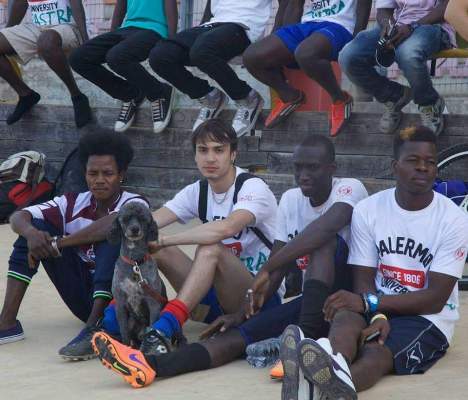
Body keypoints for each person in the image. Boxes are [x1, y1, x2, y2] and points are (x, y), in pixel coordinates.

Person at [90, 134, 368, 391]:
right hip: (310, 304)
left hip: (349, 302)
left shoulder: (349, 188)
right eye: (298, 167)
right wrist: (242, 313)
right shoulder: (291, 199)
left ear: (331, 168)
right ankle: (149, 364)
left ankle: (302, 345)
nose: (303, 175)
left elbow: (324, 229)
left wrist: (268, 267)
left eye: (313, 168)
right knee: (233, 336)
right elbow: (278, 268)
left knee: (322, 243)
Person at [280, 126, 468, 399]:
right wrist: (377, 314)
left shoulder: (454, 219)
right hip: (378, 303)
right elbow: (364, 279)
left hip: (426, 318)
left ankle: (318, 390)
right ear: (395, 166)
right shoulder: (369, 210)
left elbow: (435, 299)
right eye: (413, 161)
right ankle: (327, 366)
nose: (423, 168)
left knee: (375, 351)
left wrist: (371, 304)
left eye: (430, 162)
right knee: (345, 320)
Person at [0, 130, 149, 361]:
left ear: (121, 174)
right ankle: (7, 323)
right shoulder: (71, 203)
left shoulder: (135, 202)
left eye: (108, 173)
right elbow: (19, 217)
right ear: (85, 174)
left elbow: (114, 223)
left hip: (125, 300)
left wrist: (59, 243)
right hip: (83, 299)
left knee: (115, 234)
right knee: (34, 232)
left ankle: (93, 329)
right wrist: (32, 235)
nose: (99, 180)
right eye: (93, 173)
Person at [242, 0, 372, 136]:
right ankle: (289, 95)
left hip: (340, 26)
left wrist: (357, 40)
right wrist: (284, 44)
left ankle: (340, 99)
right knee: (252, 56)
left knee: (305, 53)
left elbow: (365, 3)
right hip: (308, 24)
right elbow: (295, 5)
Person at [147, 0, 274, 138]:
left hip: (244, 27)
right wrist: (200, 33)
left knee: (202, 51)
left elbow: (286, 5)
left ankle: (247, 98)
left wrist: (272, 39)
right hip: (212, 25)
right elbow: (210, 6)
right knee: (160, 55)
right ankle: (209, 96)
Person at [339, 0, 454, 136]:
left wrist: (412, 26)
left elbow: (448, 7)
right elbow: (383, 11)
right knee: (348, 56)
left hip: (433, 27)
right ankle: (393, 96)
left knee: (407, 53)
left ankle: (430, 104)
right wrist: (388, 27)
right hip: (400, 27)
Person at [70, 0, 178, 133]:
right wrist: (112, 35)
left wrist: (171, 40)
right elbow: (121, 5)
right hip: (127, 29)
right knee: (78, 58)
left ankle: (159, 93)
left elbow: (170, 4)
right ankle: (130, 94)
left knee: (116, 56)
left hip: (155, 30)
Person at [0, 0, 91, 127]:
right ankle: (26, 95)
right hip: (38, 28)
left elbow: (76, 3)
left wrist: (86, 40)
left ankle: (77, 96)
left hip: (69, 26)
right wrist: (8, 34)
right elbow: (20, 3)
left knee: (46, 41)